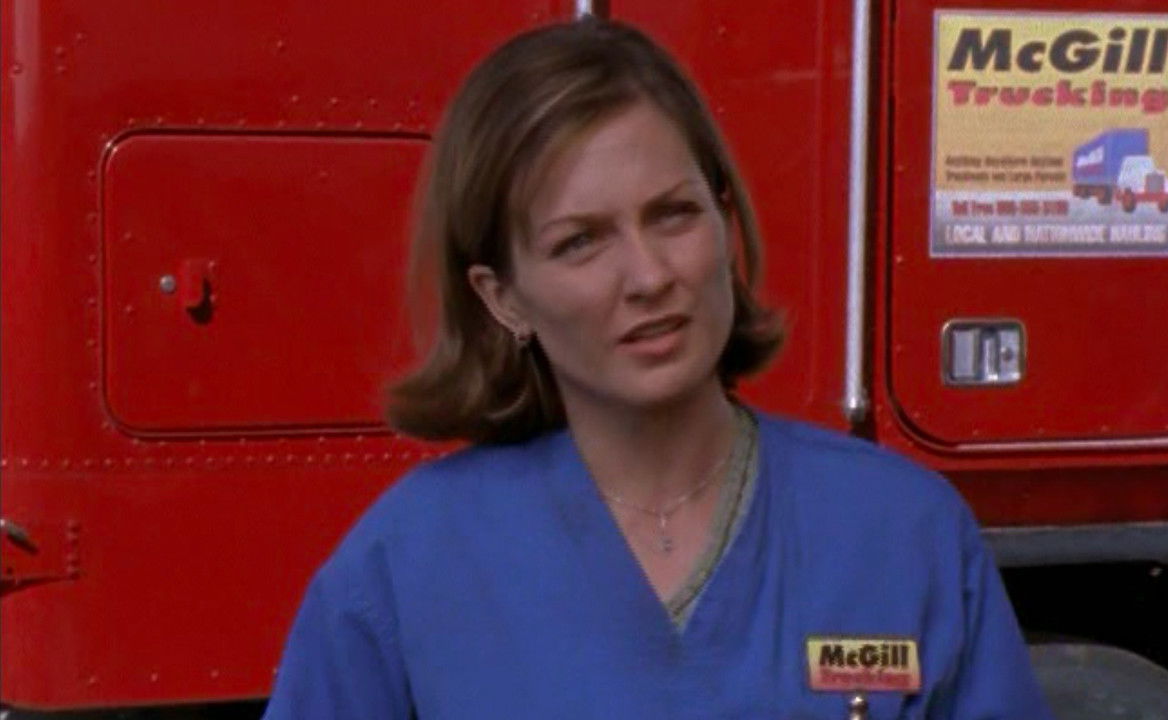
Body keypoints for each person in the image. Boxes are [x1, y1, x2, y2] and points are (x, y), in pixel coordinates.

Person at [263, 18, 1053, 719]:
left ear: (723, 221)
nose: (647, 276)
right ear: (501, 297)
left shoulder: (901, 532)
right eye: (580, 241)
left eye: (672, 215)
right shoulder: (408, 567)